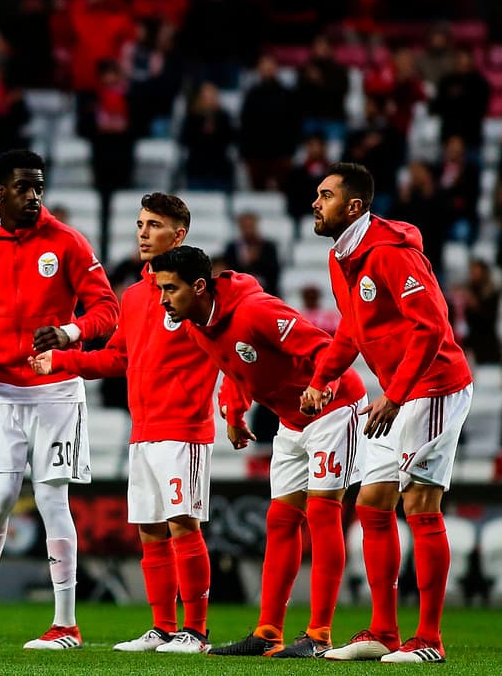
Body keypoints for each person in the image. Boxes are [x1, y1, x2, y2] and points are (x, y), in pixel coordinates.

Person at [150, 245, 366, 658]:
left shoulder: (255, 312)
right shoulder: (198, 326)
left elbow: (323, 348)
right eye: (160, 289)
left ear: (199, 287)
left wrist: (323, 387)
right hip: (290, 417)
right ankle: (269, 632)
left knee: (322, 512)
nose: (162, 299)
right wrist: (233, 412)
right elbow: (233, 367)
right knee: (280, 519)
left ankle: (319, 635)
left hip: (334, 408)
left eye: (170, 289)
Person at [0, 149, 119, 650]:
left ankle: (66, 625)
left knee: (50, 498)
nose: (33, 194)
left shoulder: (66, 241)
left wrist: (68, 332)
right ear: (1, 191)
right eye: (22, 186)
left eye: (38, 185)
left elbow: (105, 309)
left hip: (57, 391)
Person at [31, 193, 219, 654]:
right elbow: (118, 358)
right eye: (139, 224)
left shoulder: (198, 294)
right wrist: (62, 359)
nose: (142, 232)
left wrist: (234, 404)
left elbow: (227, 348)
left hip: (184, 428)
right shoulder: (135, 296)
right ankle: (162, 627)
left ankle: (195, 631)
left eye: (153, 225)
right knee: (150, 528)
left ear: (178, 235)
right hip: (144, 429)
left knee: (182, 523)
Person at [302, 163, 473, 664]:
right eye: (317, 194)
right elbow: (351, 332)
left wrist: (395, 395)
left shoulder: (391, 255)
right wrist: (320, 380)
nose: (316, 202)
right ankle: (383, 631)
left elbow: (432, 327)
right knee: (372, 505)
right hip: (397, 393)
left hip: (434, 386)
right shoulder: (342, 258)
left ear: (353, 207)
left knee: (420, 504)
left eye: (326, 195)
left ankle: (430, 640)